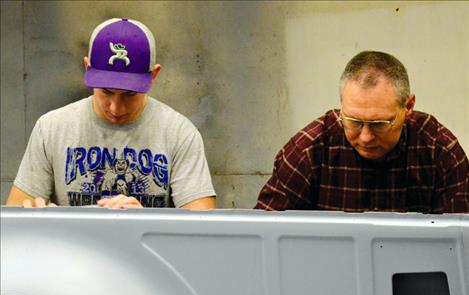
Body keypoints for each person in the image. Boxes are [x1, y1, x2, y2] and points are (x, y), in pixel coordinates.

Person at [7, 18, 216, 210]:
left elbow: (202, 232)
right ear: (87, 67)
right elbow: (16, 224)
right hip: (72, 250)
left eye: (129, 94)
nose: (116, 108)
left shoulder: (179, 133)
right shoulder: (51, 128)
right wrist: (37, 218)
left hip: (146, 251)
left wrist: (147, 222)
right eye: (105, 91)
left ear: (153, 75)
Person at [255, 51, 468, 213]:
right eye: (353, 121)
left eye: (379, 124)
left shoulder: (438, 150)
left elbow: (461, 244)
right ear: (341, 104)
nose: (365, 137)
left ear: (408, 106)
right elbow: (263, 237)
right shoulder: (308, 149)